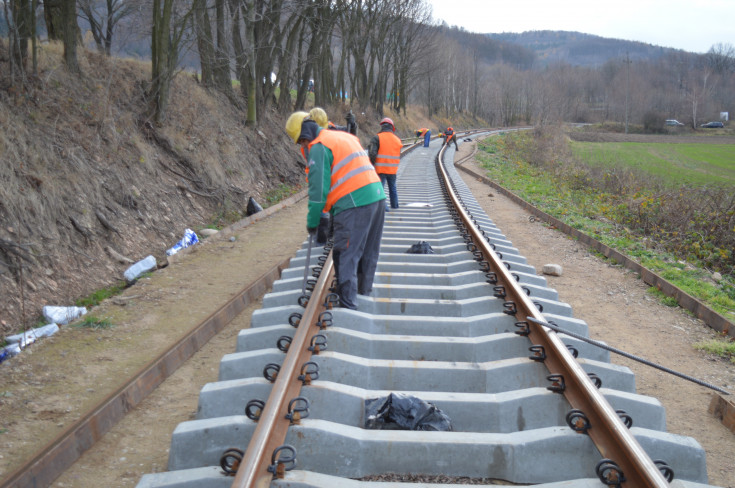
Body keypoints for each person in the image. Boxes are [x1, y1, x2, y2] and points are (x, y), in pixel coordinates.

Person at [285, 111, 386, 310]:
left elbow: (317, 192)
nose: (303, 146)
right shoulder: (343, 136)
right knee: (368, 253)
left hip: (354, 203)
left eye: (301, 142)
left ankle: (348, 308)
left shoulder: (319, 147)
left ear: (305, 134)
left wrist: (314, 222)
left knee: (345, 253)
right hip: (377, 197)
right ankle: (362, 296)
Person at [368, 117, 402, 211]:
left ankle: (384, 208)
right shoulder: (397, 140)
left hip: (380, 169)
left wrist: (371, 164)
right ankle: (394, 205)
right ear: (392, 127)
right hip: (392, 170)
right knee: (393, 188)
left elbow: (372, 153)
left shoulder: (377, 138)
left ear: (382, 126)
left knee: (380, 189)